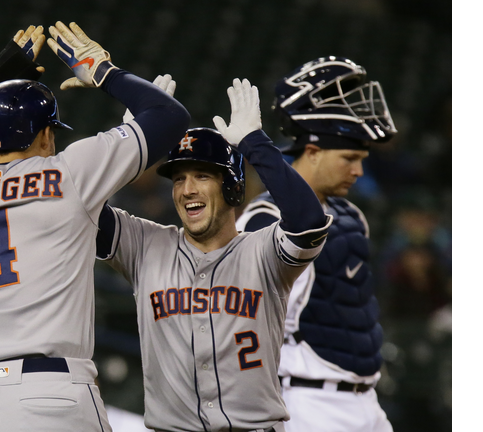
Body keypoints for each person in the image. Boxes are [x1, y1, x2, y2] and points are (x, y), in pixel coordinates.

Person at [0, 22, 190, 431]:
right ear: (46, 135)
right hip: (53, 392)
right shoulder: (71, 173)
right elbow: (168, 116)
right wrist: (101, 69)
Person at [96, 78, 331, 432]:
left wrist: (256, 145)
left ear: (233, 188)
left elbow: (308, 221)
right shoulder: (144, 244)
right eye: (178, 179)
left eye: (202, 175)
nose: (187, 189)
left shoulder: (264, 252)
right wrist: (125, 145)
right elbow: (78, 208)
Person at [235, 57, 397, 432]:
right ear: (312, 152)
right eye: (349, 158)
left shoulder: (351, 216)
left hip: (367, 401)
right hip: (307, 403)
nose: (358, 171)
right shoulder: (265, 219)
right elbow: (241, 320)